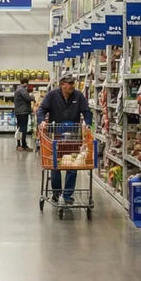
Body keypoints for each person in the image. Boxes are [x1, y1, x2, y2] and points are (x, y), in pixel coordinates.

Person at [35, 74, 93, 205]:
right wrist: (42, 121)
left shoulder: (78, 96)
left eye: (73, 83)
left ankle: (67, 195)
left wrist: (87, 123)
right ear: (62, 84)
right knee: (55, 164)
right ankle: (56, 193)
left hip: (73, 136)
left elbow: (87, 112)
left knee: (72, 165)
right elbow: (42, 110)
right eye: (69, 83)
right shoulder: (52, 95)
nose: (72, 86)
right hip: (56, 136)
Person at [13, 80, 35, 151]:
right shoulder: (22, 90)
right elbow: (28, 98)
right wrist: (33, 96)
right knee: (23, 129)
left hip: (19, 112)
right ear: (25, 83)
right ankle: (24, 145)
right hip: (22, 112)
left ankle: (19, 145)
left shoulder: (18, 89)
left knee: (19, 129)